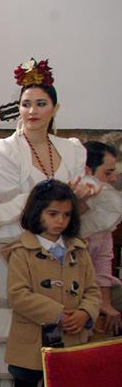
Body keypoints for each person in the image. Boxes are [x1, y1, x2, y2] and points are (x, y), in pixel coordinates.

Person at [0, 58, 121, 387]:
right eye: (25, 104)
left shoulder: (70, 148)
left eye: (40, 104)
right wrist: (62, 195)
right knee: (21, 322)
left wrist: (80, 200)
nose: (32, 112)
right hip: (17, 247)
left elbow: (72, 213)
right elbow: (9, 202)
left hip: (60, 247)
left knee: (61, 327)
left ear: (55, 109)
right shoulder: (3, 149)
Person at [4, 179, 100, 387]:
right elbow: (18, 295)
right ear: (37, 214)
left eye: (66, 215)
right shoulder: (22, 251)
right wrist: (58, 313)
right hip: (30, 340)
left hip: (67, 342)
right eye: (53, 214)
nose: (60, 222)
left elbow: (92, 291)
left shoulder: (78, 250)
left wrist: (85, 313)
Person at [83, 140, 122, 336]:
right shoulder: (66, 209)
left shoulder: (105, 209)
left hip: (94, 287)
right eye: (108, 173)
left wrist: (105, 303)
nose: (114, 178)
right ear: (87, 171)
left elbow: (103, 259)